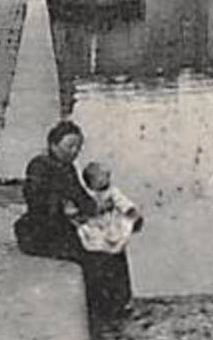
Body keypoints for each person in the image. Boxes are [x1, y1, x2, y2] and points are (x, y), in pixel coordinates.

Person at [14, 120, 134, 320]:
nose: (74, 151)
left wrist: (96, 207)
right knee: (93, 255)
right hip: (40, 233)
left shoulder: (67, 167)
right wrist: (65, 208)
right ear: (53, 145)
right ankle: (101, 308)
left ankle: (119, 303)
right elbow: (37, 201)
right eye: (69, 146)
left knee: (114, 246)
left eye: (78, 146)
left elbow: (80, 197)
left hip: (61, 228)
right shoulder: (39, 166)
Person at [74, 162, 144, 256]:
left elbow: (121, 200)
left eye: (105, 177)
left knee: (113, 236)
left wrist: (129, 209)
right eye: (98, 179)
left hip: (108, 221)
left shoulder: (112, 192)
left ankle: (110, 249)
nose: (104, 180)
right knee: (90, 234)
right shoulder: (87, 193)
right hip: (93, 221)